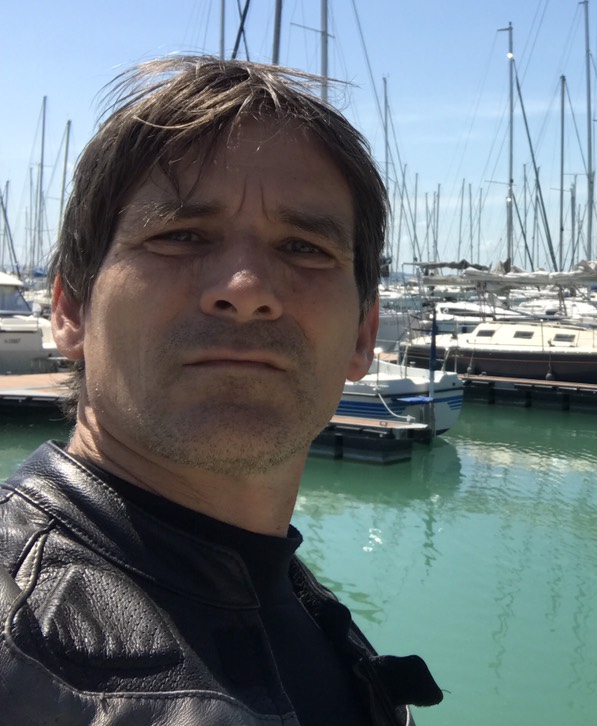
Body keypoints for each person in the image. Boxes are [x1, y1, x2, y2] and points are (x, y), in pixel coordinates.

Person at [0, 56, 443, 724]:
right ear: (70, 310)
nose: (247, 289)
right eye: (180, 236)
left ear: (363, 334)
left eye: (304, 248)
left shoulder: (311, 621)